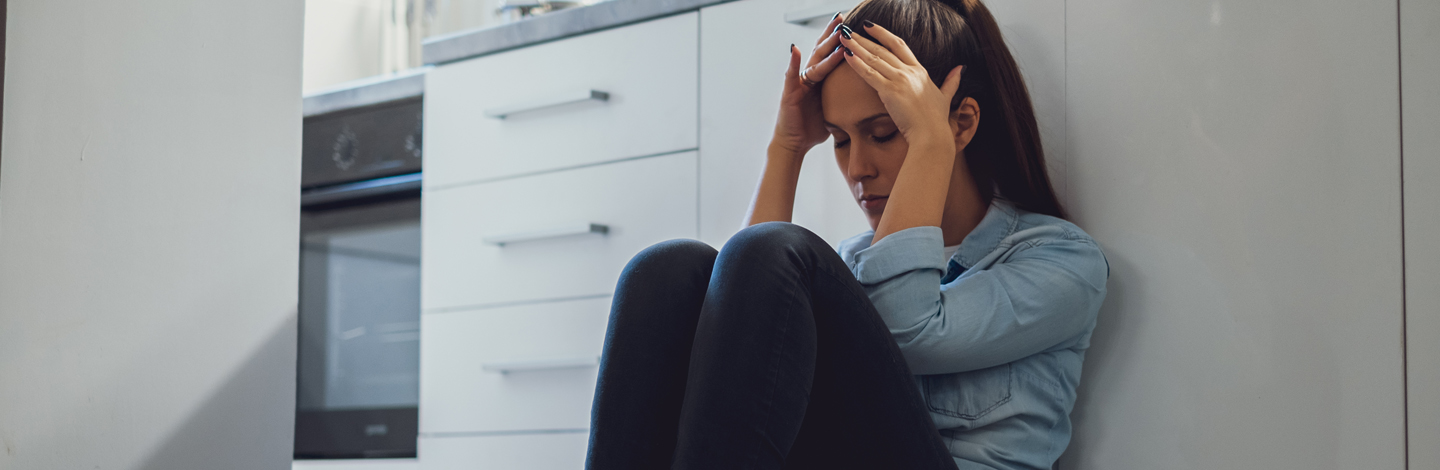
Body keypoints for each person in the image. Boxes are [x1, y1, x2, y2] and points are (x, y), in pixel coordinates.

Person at [584, 0, 1109, 468]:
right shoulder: (851, 265)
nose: (858, 167)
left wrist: (931, 140)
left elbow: (911, 332)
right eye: (839, 140)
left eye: (884, 133)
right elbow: (727, 334)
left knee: (774, 253)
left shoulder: (1058, 262)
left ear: (962, 124)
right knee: (667, 271)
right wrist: (788, 147)